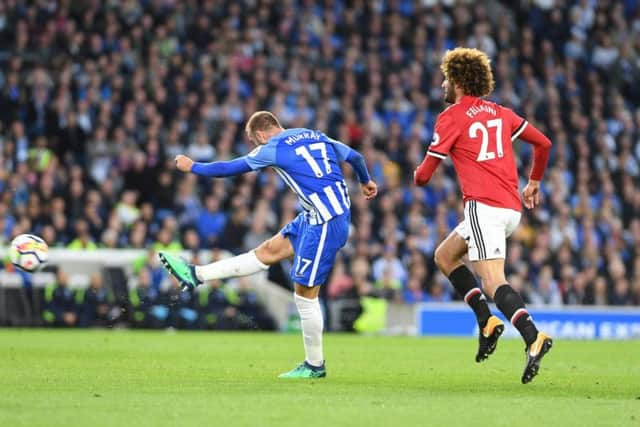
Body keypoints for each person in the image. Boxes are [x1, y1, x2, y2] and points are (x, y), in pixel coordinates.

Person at [159, 111, 377, 378]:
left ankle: (315, 365)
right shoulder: (314, 135)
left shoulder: (272, 147)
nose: (256, 147)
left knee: (305, 294)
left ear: (260, 135)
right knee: (267, 252)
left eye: (254, 142)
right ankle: (197, 274)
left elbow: (230, 168)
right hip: (316, 216)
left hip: (326, 222)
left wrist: (193, 166)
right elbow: (355, 157)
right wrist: (365, 181)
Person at [414, 48, 553, 384]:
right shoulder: (501, 113)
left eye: (446, 78)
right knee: (445, 256)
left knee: (492, 281)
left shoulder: (451, 117)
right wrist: (534, 182)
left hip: (484, 206)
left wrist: (416, 170)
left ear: (459, 80)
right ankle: (486, 321)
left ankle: (533, 336)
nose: (442, 84)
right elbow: (544, 144)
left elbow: (423, 177)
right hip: (510, 208)